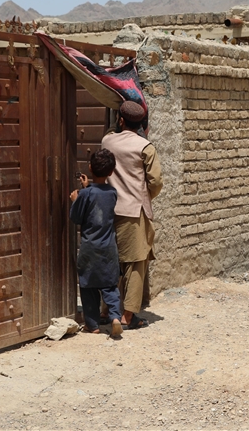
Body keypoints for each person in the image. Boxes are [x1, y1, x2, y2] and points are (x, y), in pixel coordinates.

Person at [102, 101, 163, 330]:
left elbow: (111, 132)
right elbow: (156, 182)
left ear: (120, 120)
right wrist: (145, 196)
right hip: (134, 212)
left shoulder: (107, 141)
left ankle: (106, 309)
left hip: (109, 210)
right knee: (136, 263)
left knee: (111, 262)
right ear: (141, 125)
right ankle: (128, 315)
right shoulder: (145, 147)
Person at [69, 149, 123, 337]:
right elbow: (99, 197)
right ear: (111, 172)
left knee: (88, 286)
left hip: (89, 248)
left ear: (90, 168)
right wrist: (87, 188)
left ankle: (92, 325)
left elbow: (76, 217)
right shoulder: (113, 193)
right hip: (109, 248)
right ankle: (115, 317)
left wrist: (76, 200)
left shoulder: (85, 194)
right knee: (110, 285)